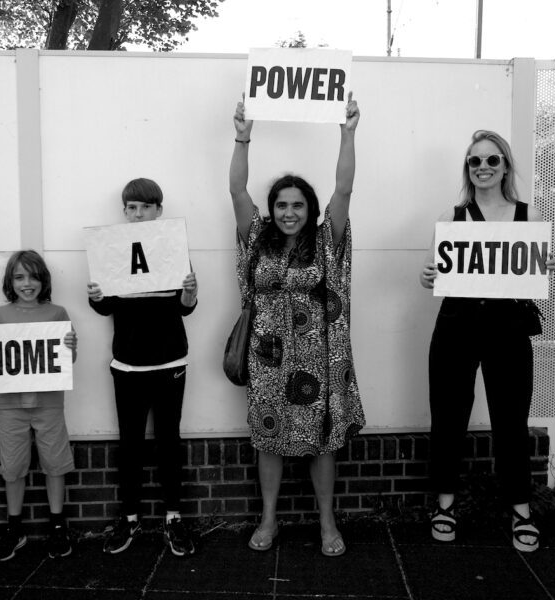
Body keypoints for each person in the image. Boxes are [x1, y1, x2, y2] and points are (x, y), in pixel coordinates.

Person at [229, 95, 366, 557]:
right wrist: (242, 138)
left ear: (310, 209)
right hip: (267, 357)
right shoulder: (257, 239)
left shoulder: (327, 241)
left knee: (321, 441)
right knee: (268, 437)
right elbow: (237, 191)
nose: (289, 212)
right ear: (273, 209)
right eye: (282, 204)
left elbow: (343, 190)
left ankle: (327, 522)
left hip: (317, 357)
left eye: (298, 205)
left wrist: (347, 134)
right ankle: (268, 518)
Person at [419, 130, 555, 552]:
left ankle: (521, 510)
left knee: (511, 421)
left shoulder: (530, 217)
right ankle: (445, 505)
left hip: (508, 328)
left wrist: (548, 265)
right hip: (457, 324)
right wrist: (427, 275)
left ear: (506, 166)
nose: (482, 167)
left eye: (491, 160)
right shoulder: (453, 217)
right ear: (468, 168)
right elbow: (433, 273)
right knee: (448, 416)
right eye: (474, 161)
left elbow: (536, 272)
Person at [87, 178, 198, 557]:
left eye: (146, 207)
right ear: (124, 212)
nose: (138, 214)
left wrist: (190, 292)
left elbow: (185, 307)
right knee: (130, 444)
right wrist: (96, 296)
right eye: (132, 208)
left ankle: (174, 517)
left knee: (169, 441)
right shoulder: (111, 249)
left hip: (170, 362)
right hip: (128, 364)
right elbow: (105, 306)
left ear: (159, 211)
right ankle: (130, 516)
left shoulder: (174, 248)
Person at [0, 250, 78, 561]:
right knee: (12, 467)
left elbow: (68, 360)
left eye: (34, 276)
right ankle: (15, 527)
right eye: (19, 277)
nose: (27, 283)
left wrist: (71, 347)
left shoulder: (57, 313)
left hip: (49, 402)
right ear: (10, 282)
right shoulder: (0, 315)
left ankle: (57, 525)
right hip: (11, 405)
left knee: (55, 462)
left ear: (44, 280)